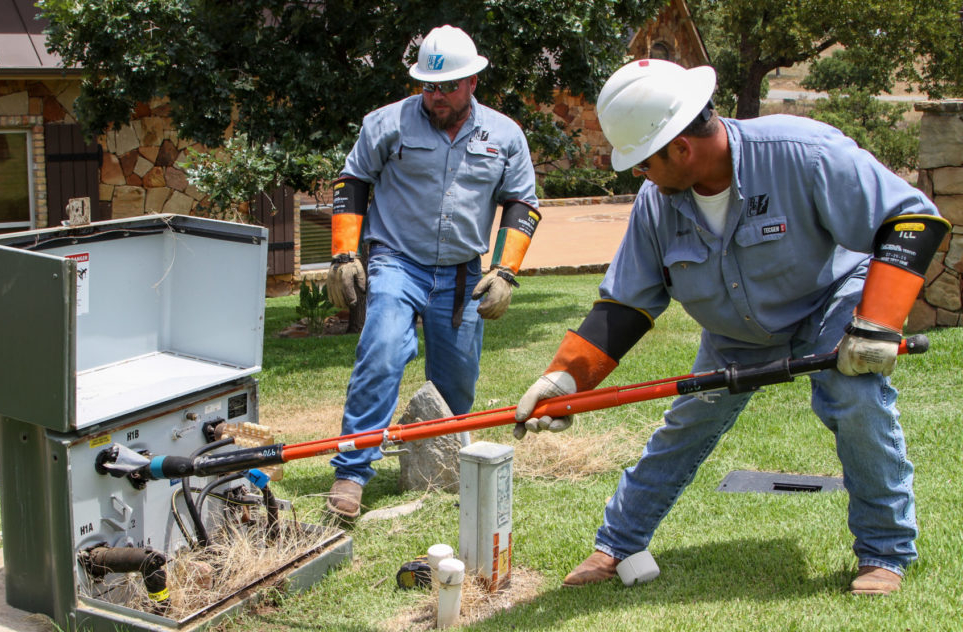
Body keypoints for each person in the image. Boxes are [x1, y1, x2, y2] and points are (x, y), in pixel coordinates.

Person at [514, 59, 948, 595]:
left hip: (827, 304)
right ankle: (617, 544)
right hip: (734, 333)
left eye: (643, 160)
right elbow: (627, 305)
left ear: (681, 147)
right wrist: (565, 381)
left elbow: (912, 218)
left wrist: (876, 325)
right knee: (687, 424)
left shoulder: (802, 153)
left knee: (854, 399)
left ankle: (884, 552)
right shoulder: (658, 203)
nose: (637, 174)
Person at [324, 25, 540, 519]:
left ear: (473, 82)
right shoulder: (387, 123)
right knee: (380, 352)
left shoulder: (505, 135)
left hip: (462, 274)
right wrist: (342, 255)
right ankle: (352, 472)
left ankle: (443, 464)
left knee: (455, 385)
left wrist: (506, 271)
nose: (436, 96)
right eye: (428, 86)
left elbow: (521, 204)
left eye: (448, 86)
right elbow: (352, 181)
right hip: (396, 262)